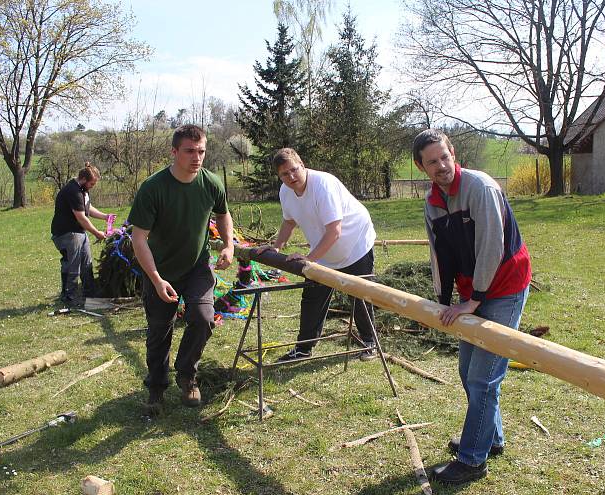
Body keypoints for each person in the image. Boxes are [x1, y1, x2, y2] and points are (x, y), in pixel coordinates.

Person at [414, 129, 531, 485]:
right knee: (469, 373)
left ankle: (472, 460)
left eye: (444, 157)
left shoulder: (480, 187)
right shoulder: (433, 203)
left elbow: (492, 246)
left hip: (504, 287)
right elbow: (439, 255)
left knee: (483, 378)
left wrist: (474, 300)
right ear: (422, 167)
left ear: (453, 153)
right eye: (432, 162)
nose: (441, 166)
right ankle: (490, 438)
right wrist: (443, 302)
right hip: (472, 294)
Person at [128, 124, 234, 415]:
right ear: (174, 152)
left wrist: (228, 245)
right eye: (189, 151)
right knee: (160, 332)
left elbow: (224, 215)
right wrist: (156, 279)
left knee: (202, 319)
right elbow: (139, 238)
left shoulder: (211, 182)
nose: (196, 157)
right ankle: (156, 388)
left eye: (201, 151)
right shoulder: (154, 188)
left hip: (197, 267)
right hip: (160, 271)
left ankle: (187, 375)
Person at [257, 148, 378, 362]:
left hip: (355, 242)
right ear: (279, 176)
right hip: (323, 248)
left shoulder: (323, 185)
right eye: (285, 174)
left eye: (294, 170)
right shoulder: (285, 192)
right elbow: (289, 221)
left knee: (359, 293)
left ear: (302, 164)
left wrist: (309, 260)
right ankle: (303, 348)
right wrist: (276, 248)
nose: (291, 177)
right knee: (313, 295)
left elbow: (335, 231)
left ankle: (370, 342)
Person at [50, 162, 113, 306]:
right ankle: (69, 297)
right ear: (83, 179)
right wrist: (97, 233)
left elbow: (87, 208)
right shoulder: (73, 191)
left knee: (86, 263)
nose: (92, 186)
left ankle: (90, 295)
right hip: (67, 233)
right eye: (91, 184)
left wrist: (105, 216)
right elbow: (81, 217)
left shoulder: (82, 190)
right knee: (73, 264)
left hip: (78, 232)